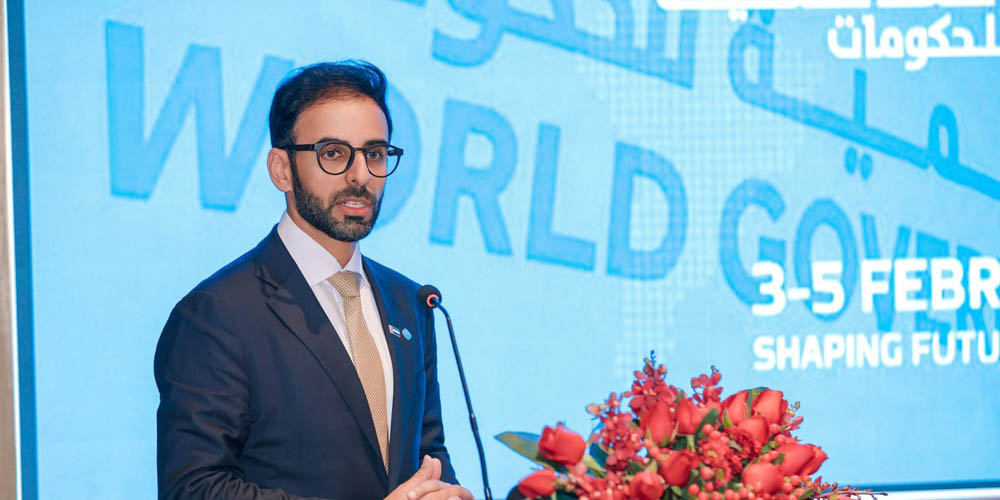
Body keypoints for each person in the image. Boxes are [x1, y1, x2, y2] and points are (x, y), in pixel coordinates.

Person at [154, 60, 474, 500]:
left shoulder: (411, 303)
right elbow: (193, 487)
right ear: (281, 169)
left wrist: (447, 492)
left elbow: (427, 454)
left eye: (375, 153)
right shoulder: (217, 313)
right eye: (334, 153)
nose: (360, 175)